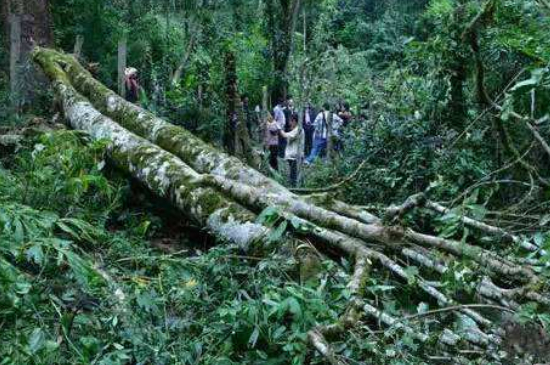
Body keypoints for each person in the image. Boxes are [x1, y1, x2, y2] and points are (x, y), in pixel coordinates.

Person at [280, 113, 304, 187]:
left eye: (290, 121)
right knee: (293, 173)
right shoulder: (296, 129)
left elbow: (285, 135)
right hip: (293, 156)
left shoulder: (298, 129)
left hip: (295, 156)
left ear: (294, 121)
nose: (289, 123)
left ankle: (295, 189)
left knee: (294, 174)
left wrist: (278, 128)